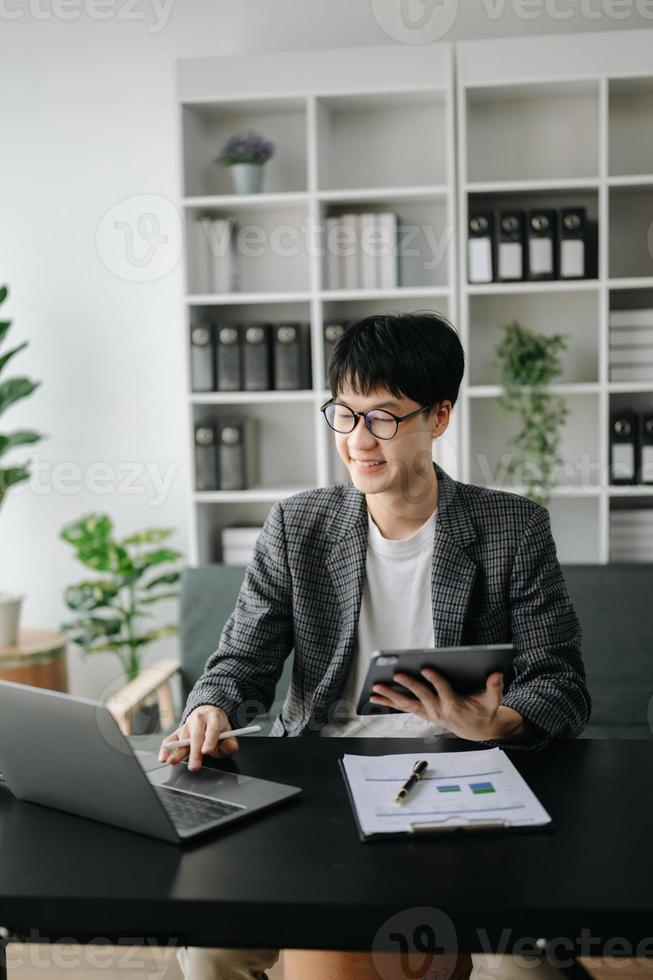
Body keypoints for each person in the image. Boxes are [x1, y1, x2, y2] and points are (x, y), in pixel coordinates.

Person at [160, 312, 591, 980]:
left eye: (383, 417)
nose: (358, 440)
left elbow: (560, 681)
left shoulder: (512, 526)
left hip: (457, 781)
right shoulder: (296, 524)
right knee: (207, 948)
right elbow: (240, 661)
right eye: (344, 413)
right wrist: (209, 708)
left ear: (438, 416)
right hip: (318, 779)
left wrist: (497, 721)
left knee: (524, 970)